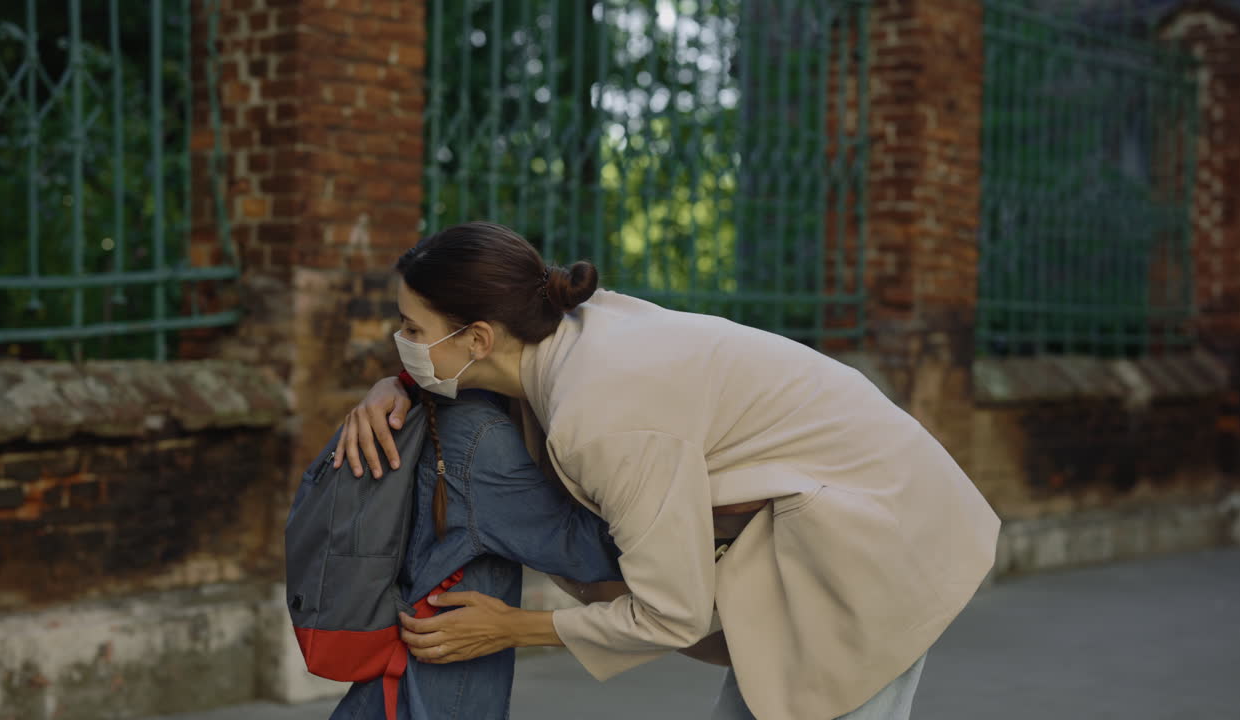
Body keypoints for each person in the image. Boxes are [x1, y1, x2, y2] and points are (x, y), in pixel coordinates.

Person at [336, 221, 1001, 720]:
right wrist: (394, 386)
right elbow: (470, 373)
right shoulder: (567, 328)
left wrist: (514, 628)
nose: (403, 342)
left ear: (478, 338)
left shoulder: (601, 417)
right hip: (840, 516)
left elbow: (670, 613)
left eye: (411, 329)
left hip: (876, 540)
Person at [327, 387, 627, 720]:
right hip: (440, 673)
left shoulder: (436, 409)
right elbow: (584, 549)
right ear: (478, 337)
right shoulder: (483, 435)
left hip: (407, 660)